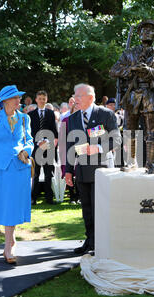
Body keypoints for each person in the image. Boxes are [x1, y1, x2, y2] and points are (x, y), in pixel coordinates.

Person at [65, 83, 121, 255]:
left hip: (102, 169)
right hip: (82, 170)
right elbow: (70, 146)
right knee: (87, 209)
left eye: (79, 96)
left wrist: (99, 148)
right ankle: (89, 241)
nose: (75, 99)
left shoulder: (105, 114)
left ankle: (102, 244)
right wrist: (68, 170)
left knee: (101, 209)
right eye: (75, 96)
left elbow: (117, 140)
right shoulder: (73, 118)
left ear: (91, 97)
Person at [109, 20, 154, 173]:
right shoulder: (128, 54)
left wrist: (149, 70)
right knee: (130, 130)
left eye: (151, 31)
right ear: (139, 34)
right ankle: (131, 162)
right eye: (144, 30)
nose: (147, 33)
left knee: (153, 132)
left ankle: (150, 164)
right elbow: (113, 71)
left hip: (151, 96)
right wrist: (131, 69)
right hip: (133, 95)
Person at [0, 85, 34, 263]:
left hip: (20, 168)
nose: (19, 101)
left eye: (19, 98)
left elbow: (29, 140)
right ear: (5, 101)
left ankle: (9, 241)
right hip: (2, 169)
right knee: (6, 206)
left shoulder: (24, 118)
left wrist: (26, 150)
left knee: (15, 205)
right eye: (16, 98)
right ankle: (8, 245)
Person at [28, 90, 58, 205]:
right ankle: (33, 198)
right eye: (40, 98)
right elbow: (30, 132)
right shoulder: (31, 115)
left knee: (48, 174)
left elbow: (54, 131)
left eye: (44, 99)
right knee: (35, 174)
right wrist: (39, 142)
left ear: (47, 100)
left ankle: (49, 198)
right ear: (36, 100)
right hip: (36, 148)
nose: (42, 101)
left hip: (48, 147)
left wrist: (46, 141)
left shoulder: (51, 113)